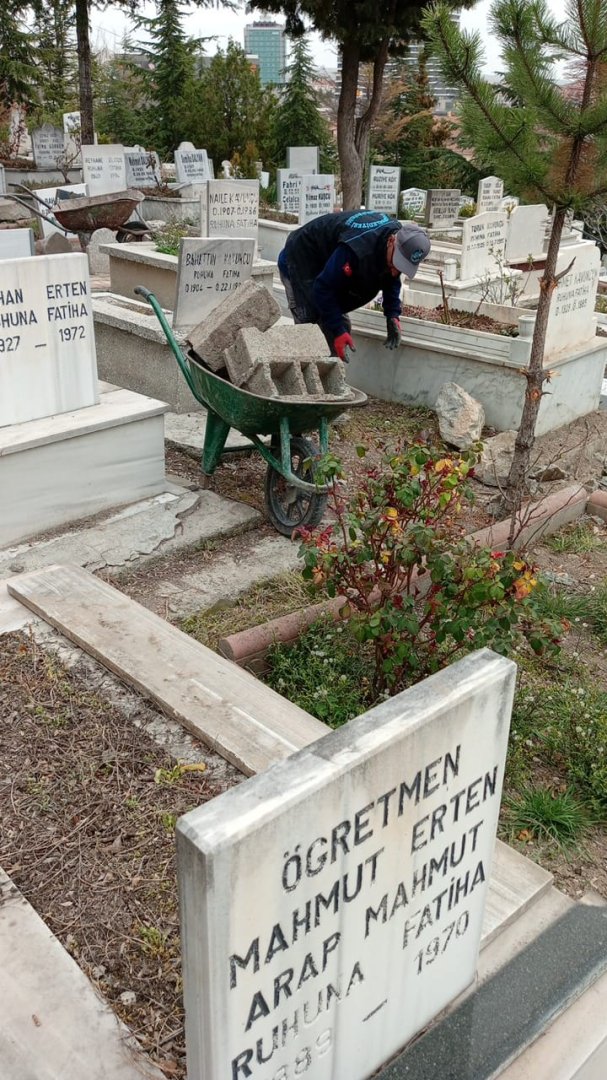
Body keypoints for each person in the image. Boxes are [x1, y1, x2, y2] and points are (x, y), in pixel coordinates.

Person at [277, 210, 431, 361]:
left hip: (329, 265)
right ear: (391, 241)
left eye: (402, 267)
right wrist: (337, 331)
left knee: (339, 326)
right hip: (300, 259)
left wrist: (393, 314)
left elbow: (391, 278)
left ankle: (329, 371)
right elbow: (323, 287)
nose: (395, 271)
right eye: (395, 262)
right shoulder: (358, 248)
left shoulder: (394, 241)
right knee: (311, 330)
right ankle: (299, 371)